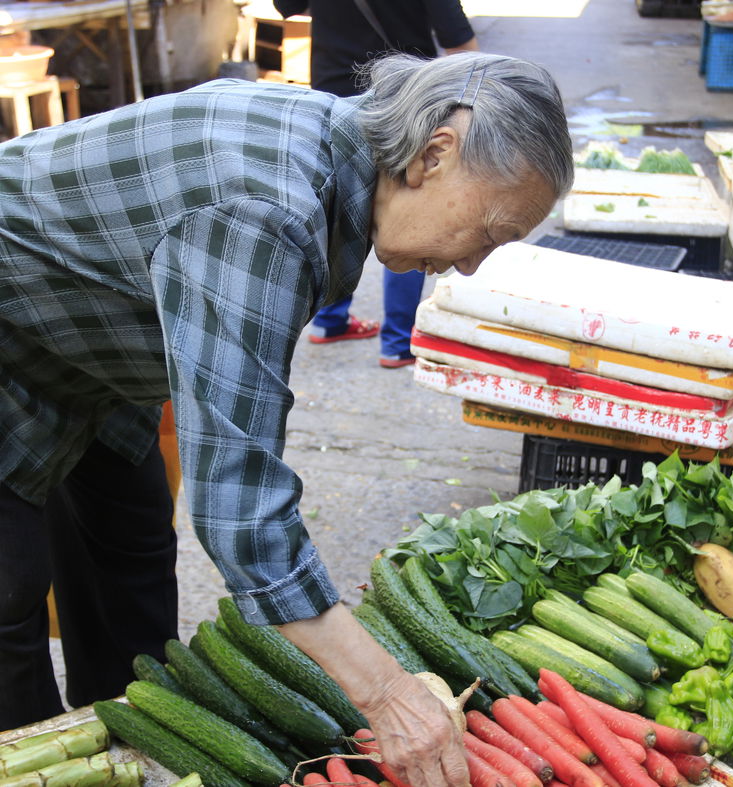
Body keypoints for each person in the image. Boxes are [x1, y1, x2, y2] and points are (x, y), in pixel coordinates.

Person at [0, 52, 573, 787]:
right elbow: (242, 508)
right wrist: (386, 692)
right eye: (490, 233)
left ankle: (126, 755)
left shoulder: (335, 158)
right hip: (18, 342)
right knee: (8, 593)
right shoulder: (265, 208)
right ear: (435, 154)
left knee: (131, 551)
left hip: (89, 360)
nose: (470, 267)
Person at [276, 0, 480, 367]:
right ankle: (398, 341)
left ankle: (329, 320)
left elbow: (287, 6)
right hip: (404, 104)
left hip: (331, 100)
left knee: (335, 207)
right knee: (412, 214)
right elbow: (459, 43)